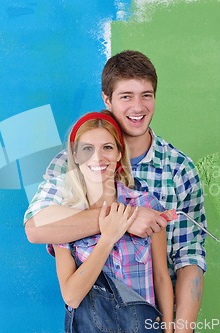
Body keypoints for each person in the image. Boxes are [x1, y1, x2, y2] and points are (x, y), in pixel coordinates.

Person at [24, 50, 206, 332]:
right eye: (126, 96)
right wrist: (126, 218)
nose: (138, 106)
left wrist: (180, 329)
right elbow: (36, 228)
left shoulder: (179, 169)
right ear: (107, 99)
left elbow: (189, 255)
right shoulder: (69, 163)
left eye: (146, 94)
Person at [49, 110, 173, 332]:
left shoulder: (147, 205)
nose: (98, 158)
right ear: (75, 156)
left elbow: (162, 278)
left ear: (118, 153)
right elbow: (72, 296)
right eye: (87, 149)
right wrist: (107, 239)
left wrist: (170, 329)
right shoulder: (63, 218)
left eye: (107, 147)